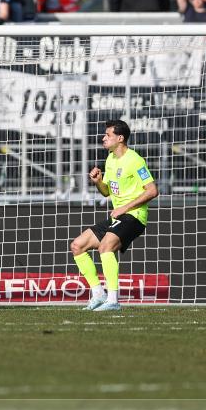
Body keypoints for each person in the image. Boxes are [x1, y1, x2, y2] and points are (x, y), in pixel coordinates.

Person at [70, 120, 158, 312]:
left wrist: (124, 208)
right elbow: (106, 192)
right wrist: (98, 181)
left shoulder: (135, 160)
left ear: (120, 138)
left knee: (105, 246)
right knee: (77, 245)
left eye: (107, 135)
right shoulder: (110, 159)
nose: (103, 138)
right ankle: (98, 294)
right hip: (119, 216)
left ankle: (113, 300)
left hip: (134, 217)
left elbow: (152, 191)